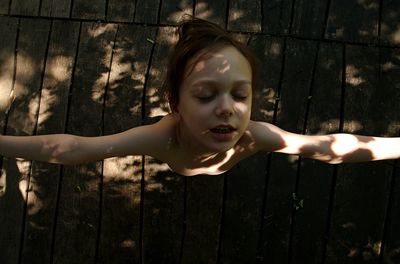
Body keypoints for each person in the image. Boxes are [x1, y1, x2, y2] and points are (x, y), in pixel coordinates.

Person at [0, 17, 399, 176]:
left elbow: (331, 147)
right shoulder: (163, 136)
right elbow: (72, 148)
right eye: (206, 95)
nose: (226, 107)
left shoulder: (255, 136)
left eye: (240, 94)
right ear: (174, 103)